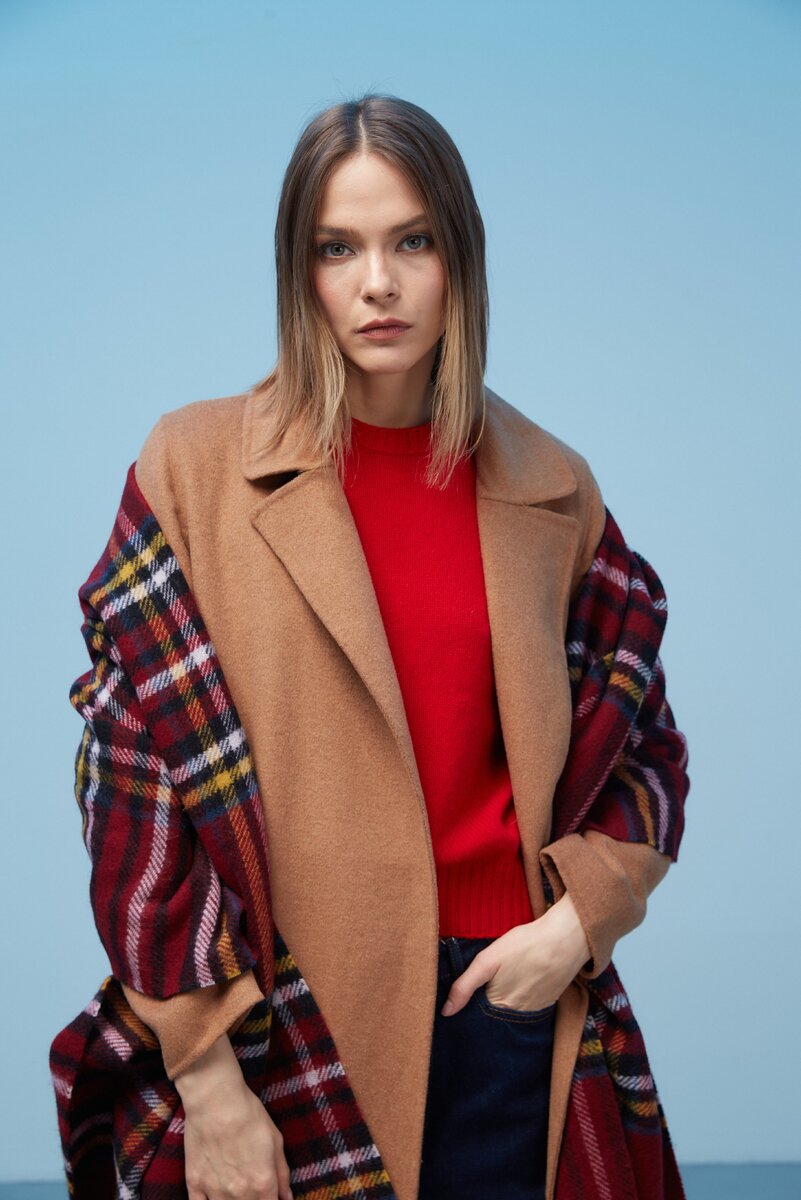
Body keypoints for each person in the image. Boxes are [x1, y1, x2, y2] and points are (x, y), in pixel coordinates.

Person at [51, 92, 688, 1200]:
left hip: (512, 1018)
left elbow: (647, 751)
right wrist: (205, 1073)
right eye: (336, 248)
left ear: (461, 258)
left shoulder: (554, 487)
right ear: (297, 272)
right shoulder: (194, 469)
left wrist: (576, 924)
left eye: (413, 242)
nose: (377, 283)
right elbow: (129, 778)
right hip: (282, 1031)